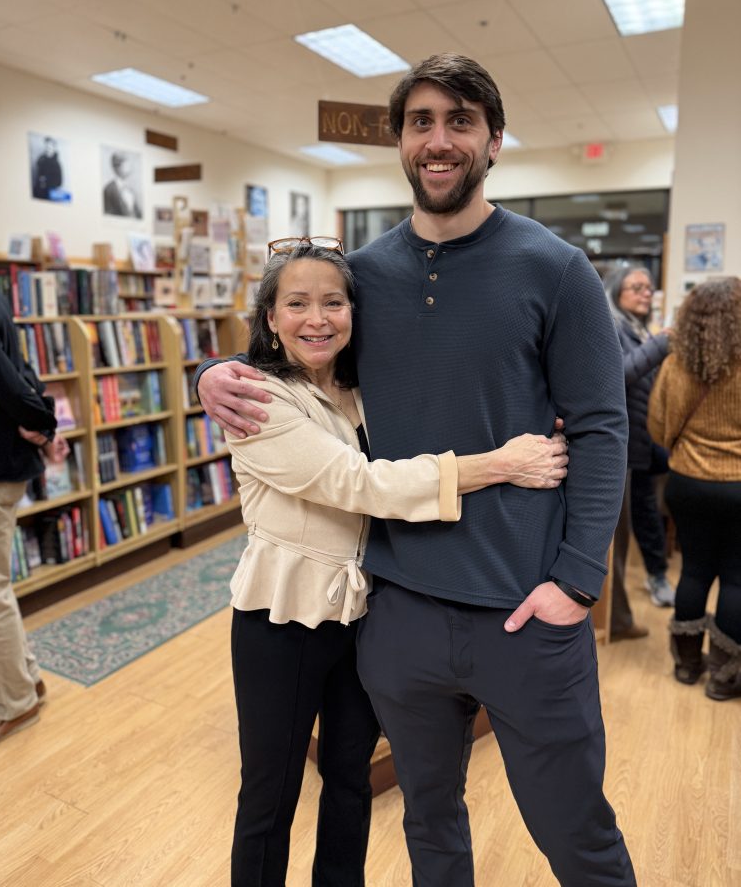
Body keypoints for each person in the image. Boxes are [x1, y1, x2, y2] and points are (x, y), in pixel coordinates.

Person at [197, 53, 635, 886]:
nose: (439, 140)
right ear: (400, 141)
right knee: (429, 826)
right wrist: (213, 371)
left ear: (494, 140)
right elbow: (299, 347)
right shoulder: (364, 277)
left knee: (578, 834)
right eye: (421, 122)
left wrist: (577, 584)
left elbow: (602, 428)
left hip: (524, 610)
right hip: (395, 613)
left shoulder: (556, 269)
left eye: (460, 121)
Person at [221, 239, 568, 886]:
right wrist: (500, 465)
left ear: (355, 312)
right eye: (296, 303)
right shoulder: (256, 400)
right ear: (270, 316)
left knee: (349, 780)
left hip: (361, 614)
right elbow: (359, 484)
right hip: (282, 620)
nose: (316, 319)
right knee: (269, 795)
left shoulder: (361, 388)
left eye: (333, 302)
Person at [648, 277, 741, 698]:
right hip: (738, 486)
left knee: (694, 570)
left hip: (687, 483)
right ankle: (723, 678)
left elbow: (658, 429)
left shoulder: (675, 365)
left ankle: (687, 665)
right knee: (736, 578)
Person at [0, 284, 69, 746]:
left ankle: (14, 703)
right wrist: (43, 421)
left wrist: (41, 422)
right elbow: (17, 368)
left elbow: (3, 375)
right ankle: (26, 680)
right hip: (5, 460)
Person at [604, 265, 674, 641]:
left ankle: (621, 614)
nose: (646, 293)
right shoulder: (614, 326)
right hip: (622, 449)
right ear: (617, 292)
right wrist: (660, 346)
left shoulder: (638, 329)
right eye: (637, 287)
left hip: (640, 447)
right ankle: (615, 620)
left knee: (636, 528)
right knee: (615, 541)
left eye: (649, 287)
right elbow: (618, 375)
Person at [103, 151, 142, 218]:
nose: (130, 167)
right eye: (126, 165)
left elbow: (137, 213)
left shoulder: (130, 189)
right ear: (117, 167)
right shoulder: (109, 189)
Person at [32, 136, 63, 200]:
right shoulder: (41, 159)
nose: (47, 149)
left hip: (49, 194)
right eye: (46, 147)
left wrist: (46, 180)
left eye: (49, 147)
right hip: (38, 192)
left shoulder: (57, 164)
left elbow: (59, 182)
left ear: (54, 148)